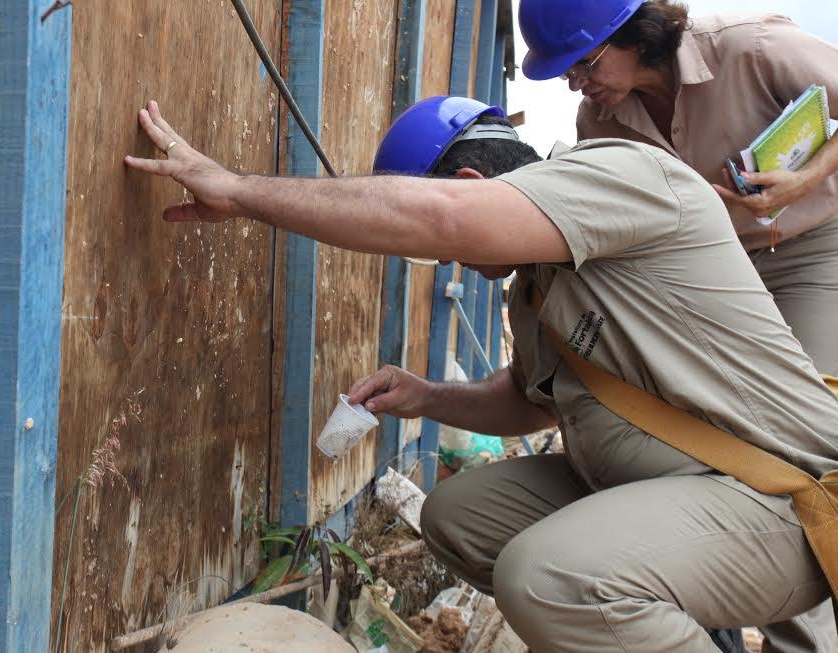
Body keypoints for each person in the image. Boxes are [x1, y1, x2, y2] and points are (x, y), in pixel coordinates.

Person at [124, 96, 837, 652]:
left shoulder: (625, 175)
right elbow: (532, 403)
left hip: (779, 500)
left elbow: (449, 220)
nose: (456, 266)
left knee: (550, 579)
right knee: (457, 518)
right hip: (667, 490)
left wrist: (238, 190)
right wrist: (424, 394)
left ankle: (616, 606)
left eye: (449, 252)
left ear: (470, 180)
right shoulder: (530, 287)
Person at [517, 2, 838, 649]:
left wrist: (801, 179)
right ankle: (698, 595)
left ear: (632, 34)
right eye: (566, 72)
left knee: (801, 450)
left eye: (584, 63)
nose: (576, 83)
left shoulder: (749, 48)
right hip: (715, 276)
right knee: (725, 444)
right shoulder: (597, 119)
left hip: (811, 248)